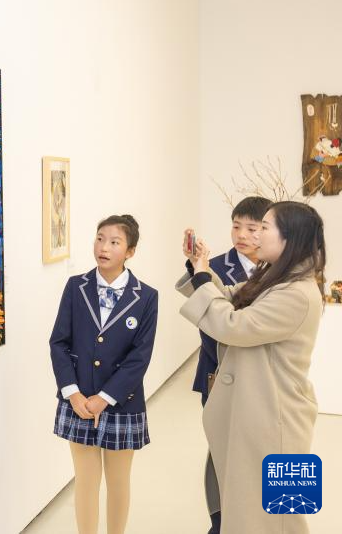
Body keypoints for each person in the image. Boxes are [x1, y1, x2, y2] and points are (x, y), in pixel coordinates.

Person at [177, 201, 325, 534]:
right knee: (252, 511)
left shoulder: (296, 292)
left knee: (283, 514)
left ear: (289, 238)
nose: (255, 236)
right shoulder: (276, 278)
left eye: (264, 228)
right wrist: (200, 267)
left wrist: (203, 277)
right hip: (261, 411)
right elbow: (229, 297)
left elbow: (233, 325)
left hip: (277, 418)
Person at [49, 215, 158, 534]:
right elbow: (58, 342)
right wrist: (73, 393)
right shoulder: (76, 287)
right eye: (100, 238)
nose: (104, 247)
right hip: (79, 401)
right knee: (85, 481)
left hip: (122, 402)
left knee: (119, 481)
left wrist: (105, 398)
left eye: (114, 242)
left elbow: (140, 357)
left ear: (130, 251)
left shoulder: (147, 296)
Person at [188, 195, 271, 534]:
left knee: (262, 456)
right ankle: (222, 522)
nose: (243, 235)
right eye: (237, 226)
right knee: (222, 453)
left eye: (254, 228)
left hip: (265, 383)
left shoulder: (281, 275)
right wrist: (199, 269)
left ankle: (257, 520)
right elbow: (209, 320)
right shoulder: (218, 266)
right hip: (219, 372)